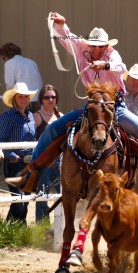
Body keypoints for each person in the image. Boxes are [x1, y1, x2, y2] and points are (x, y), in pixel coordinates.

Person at [5, 12, 138, 198]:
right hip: (91, 107)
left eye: (100, 46)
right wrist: (60, 25)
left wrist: (104, 65)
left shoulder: (112, 54)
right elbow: (67, 38)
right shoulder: (81, 48)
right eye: (94, 46)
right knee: (52, 131)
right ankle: (29, 174)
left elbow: (121, 67)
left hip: (115, 108)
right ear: (88, 44)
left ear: (106, 46)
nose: (97, 49)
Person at [0, 82, 37, 223]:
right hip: (14, 164)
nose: (23, 99)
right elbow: (0, 140)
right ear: (14, 98)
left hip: (29, 164)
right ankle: (14, 228)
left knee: (25, 200)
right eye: (20, 96)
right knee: (19, 199)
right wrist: (12, 157)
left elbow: (33, 138)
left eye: (26, 96)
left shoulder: (31, 116)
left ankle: (16, 228)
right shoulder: (8, 117)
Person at [33, 84, 63, 223]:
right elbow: (32, 139)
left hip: (59, 163)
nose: (50, 100)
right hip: (43, 163)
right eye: (47, 97)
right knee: (42, 195)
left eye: (53, 97)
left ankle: (61, 225)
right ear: (41, 99)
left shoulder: (61, 116)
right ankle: (42, 228)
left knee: (61, 194)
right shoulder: (37, 116)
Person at [0, 43, 43, 113]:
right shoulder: (32, 62)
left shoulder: (9, 63)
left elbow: (9, 84)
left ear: (6, 55)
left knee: (21, 122)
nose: (4, 60)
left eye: (3, 58)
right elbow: (40, 82)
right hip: (38, 100)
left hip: (22, 100)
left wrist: (10, 100)